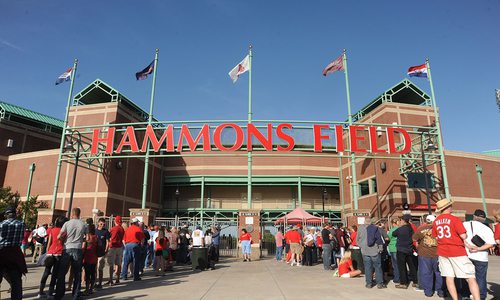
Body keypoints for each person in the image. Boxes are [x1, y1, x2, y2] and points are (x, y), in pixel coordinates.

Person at [432, 199, 480, 300]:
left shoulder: (436, 221)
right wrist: (465, 239)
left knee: (449, 277)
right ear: (448, 207)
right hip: (457, 252)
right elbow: (463, 236)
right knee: (470, 277)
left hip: (443, 252)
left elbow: (436, 237)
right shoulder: (454, 219)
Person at [462, 209, 496, 300]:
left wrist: (468, 245)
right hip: (481, 257)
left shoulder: (464, 224)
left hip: (467, 254)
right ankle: (480, 297)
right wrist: (478, 248)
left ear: (474, 216)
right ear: (484, 219)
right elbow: (491, 244)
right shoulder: (487, 229)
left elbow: (460, 237)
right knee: (480, 278)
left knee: (467, 277)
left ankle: (466, 295)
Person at [54, 208, 87, 300]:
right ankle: (76, 294)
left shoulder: (67, 223)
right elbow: (87, 238)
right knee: (77, 273)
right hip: (78, 248)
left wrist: (62, 240)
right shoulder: (83, 224)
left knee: (62, 272)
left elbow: (59, 236)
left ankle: (59, 294)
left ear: (72, 214)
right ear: (79, 214)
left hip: (67, 248)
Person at [412, 214, 443, 297]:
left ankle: (428, 292)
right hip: (438, 253)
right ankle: (440, 291)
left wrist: (418, 245)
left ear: (426, 220)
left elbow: (414, 239)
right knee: (439, 273)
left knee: (426, 273)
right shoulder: (439, 228)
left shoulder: (421, 228)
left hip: (424, 254)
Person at [0, 207, 27, 300]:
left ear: (6, 215)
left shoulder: (1, 224)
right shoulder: (22, 224)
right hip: (15, 254)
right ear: (15, 214)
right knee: (16, 282)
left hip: (2, 253)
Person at [38, 216, 67, 298]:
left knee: (46, 272)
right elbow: (63, 243)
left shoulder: (52, 230)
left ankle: (40, 291)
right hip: (59, 253)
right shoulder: (64, 232)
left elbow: (49, 242)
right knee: (54, 274)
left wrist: (47, 252)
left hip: (50, 252)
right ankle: (50, 293)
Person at [357, 217, 386, 289]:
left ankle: (369, 283)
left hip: (365, 251)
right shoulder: (375, 228)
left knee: (367, 267)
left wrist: (361, 246)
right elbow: (379, 239)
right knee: (378, 267)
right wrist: (380, 248)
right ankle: (380, 284)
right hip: (374, 250)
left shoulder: (360, 228)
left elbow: (357, 239)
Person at [392, 214, 418, 289]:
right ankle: (415, 281)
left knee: (402, 267)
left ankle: (403, 283)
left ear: (403, 221)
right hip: (409, 249)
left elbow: (394, 234)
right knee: (412, 266)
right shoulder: (410, 228)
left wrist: (399, 227)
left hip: (401, 250)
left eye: (401, 220)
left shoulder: (401, 229)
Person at [107, 216, 124, 285]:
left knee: (111, 264)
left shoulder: (114, 228)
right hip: (119, 247)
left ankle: (111, 280)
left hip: (113, 246)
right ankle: (117, 279)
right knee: (118, 263)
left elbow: (110, 237)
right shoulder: (122, 229)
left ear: (115, 221)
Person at [95, 218, 110, 289]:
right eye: (101, 224)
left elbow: (107, 241)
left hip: (102, 253)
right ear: (98, 223)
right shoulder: (95, 231)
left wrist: (106, 249)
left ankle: (100, 283)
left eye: (103, 224)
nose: (102, 225)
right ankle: (94, 283)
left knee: (100, 268)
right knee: (94, 269)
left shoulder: (106, 231)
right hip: (94, 252)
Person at [83, 224, 98, 295]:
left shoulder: (88, 237)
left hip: (87, 257)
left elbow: (84, 248)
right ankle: (91, 288)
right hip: (94, 257)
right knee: (92, 273)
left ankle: (87, 289)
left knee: (87, 274)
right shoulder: (96, 237)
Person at [387, 218, 400, 284]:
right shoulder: (400, 229)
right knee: (400, 263)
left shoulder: (391, 230)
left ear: (392, 223)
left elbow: (388, 238)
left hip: (393, 247)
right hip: (399, 247)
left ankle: (397, 278)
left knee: (395, 264)